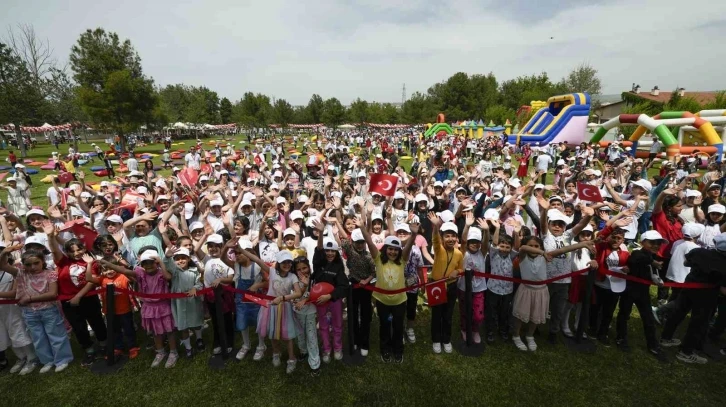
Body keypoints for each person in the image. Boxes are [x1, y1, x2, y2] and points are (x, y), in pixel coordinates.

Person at [512, 236, 591, 351]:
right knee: (520, 316)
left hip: (541, 291)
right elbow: (523, 247)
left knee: (536, 316)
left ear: (541, 247)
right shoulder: (523, 256)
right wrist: (542, 252)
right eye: (531, 245)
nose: (533, 248)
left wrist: (582, 245)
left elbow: (564, 250)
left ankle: (530, 336)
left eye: (536, 246)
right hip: (526, 290)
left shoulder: (544, 257)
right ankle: (516, 336)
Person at [0, 248, 72, 373]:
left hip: (48, 309)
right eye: (28, 264)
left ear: (42, 261)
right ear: (23, 264)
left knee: (56, 335)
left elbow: (52, 294)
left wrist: (29, 298)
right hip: (29, 312)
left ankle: (62, 359)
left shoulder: (50, 274)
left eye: (36, 263)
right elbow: (2, 265)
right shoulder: (21, 274)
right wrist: (5, 252)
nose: (33, 267)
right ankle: (47, 361)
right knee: (38, 338)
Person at [660, 232, 726, 364]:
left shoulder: (699, 251)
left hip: (689, 287)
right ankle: (686, 352)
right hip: (706, 297)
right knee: (698, 323)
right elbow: (724, 290)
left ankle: (665, 338)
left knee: (678, 313)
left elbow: (686, 263)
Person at [614, 231, 668, 361]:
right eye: (652, 243)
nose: (656, 246)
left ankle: (653, 345)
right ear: (643, 242)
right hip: (630, 290)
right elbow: (636, 259)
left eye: (658, 243)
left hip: (643, 292)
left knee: (648, 319)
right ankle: (621, 338)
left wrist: (657, 279)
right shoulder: (638, 252)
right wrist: (653, 262)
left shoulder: (652, 256)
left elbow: (652, 273)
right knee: (624, 314)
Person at [253, 250, 302, 373]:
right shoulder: (272, 272)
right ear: (278, 263)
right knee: (272, 331)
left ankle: (292, 358)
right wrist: (241, 250)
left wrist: (283, 298)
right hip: (270, 308)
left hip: (285, 309)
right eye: (283, 262)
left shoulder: (292, 276)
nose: (287, 264)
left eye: (289, 262)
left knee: (288, 335)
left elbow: (298, 292)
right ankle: (276, 352)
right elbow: (257, 260)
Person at [311, 219, 349, 363]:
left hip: (334, 301)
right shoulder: (318, 264)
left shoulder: (339, 267)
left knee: (338, 325)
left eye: (333, 251)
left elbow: (343, 287)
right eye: (328, 250)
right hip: (320, 302)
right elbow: (319, 250)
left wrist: (330, 296)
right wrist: (320, 233)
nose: (330, 253)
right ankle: (327, 349)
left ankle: (338, 347)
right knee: (324, 326)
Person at [0, 245, 40, 375]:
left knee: (18, 332)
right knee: (6, 335)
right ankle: (21, 358)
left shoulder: (11, 273)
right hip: (1, 311)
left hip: (12, 309)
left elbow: (14, 293)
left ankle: (31, 358)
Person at [427, 214, 464, 354]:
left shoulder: (459, 253)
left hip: (451, 287)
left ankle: (446, 339)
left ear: (456, 238)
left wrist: (458, 271)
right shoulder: (439, 249)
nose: (450, 239)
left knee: (448, 315)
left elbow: (461, 267)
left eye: (453, 236)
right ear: (442, 238)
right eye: (447, 236)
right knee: (437, 315)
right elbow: (435, 239)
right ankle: (436, 340)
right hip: (436, 286)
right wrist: (436, 227)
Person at [163, 246, 204, 358]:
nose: (180, 261)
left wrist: (195, 288)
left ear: (189, 258)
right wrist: (167, 256)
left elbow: (199, 283)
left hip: (192, 302)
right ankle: (188, 348)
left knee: (196, 321)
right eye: (177, 258)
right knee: (183, 325)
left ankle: (199, 339)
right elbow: (166, 263)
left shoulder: (194, 271)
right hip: (179, 303)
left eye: (183, 258)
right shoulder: (175, 271)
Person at [458, 213, 489, 344]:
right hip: (463, 287)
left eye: (477, 242)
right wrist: (467, 226)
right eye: (472, 242)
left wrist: (486, 230)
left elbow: (486, 242)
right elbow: (463, 240)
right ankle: (464, 329)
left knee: (478, 314)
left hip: (479, 288)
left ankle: (475, 329)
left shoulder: (482, 252)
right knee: (465, 311)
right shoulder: (464, 252)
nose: (474, 244)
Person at [291, 256, 321, 376]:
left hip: (310, 312)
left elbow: (315, 293)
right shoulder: (293, 279)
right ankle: (303, 351)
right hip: (297, 311)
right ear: (295, 270)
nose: (302, 271)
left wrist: (308, 285)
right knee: (300, 333)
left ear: (309, 267)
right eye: (299, 269)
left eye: (304, 268)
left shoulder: (314, 279)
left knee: (311, 335)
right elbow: (295, 295)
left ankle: (315, 364)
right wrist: (303, 286)